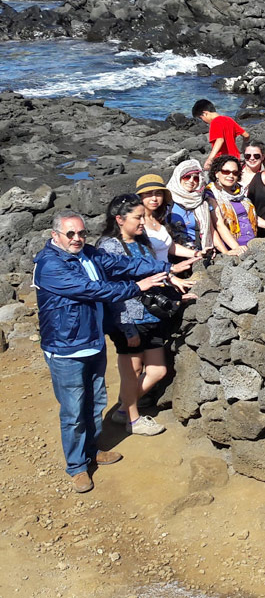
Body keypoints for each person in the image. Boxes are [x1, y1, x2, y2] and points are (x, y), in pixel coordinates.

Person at [34, 209, 173, 493]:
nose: (77, 238)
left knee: (95, 402)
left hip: (92, 342)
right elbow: (92, 289)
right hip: (66, 348)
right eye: (70, 234)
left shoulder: (89, 253)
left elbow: (123, 263)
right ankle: (77, 467)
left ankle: (92, 450)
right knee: (74, 411)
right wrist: (137, 287)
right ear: (55, 235)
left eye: (82, 233)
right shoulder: (49, 264)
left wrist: (167, 267)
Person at [97, 196, 197, 438]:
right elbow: (111, 290)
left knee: (157, 371)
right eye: (138, 217)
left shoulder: (143, 243)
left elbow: (154, 277)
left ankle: (123, 409)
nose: (143, 221)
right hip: (127, 318)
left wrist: (176, 294)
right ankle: (133, 420)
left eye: (143, 217)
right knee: (132, 370)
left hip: (150, 315)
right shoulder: (109, 247)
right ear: (119, 219)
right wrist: (126, 327)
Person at [166, 159, 244, 255]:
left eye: (196, 178)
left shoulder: (203, 202)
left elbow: (211, 231)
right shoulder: (167, 201)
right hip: (175, 254)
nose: (191, 181)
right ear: (178, 177)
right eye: (187, 177)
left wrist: (225, 253)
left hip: (201, 252)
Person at [136, 173, 203, 262]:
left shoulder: (160, 218)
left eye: (158, 193)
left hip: (166, 268)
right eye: (148, 194)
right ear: (140, 197)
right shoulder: (136, 222)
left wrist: (197, 253)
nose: (154, 198)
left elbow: (170, 246)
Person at [205, 155, 257, 247]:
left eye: (235, 173)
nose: (231, 175)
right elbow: (219, 225)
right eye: (226, 172)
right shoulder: (211, 194)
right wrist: (236, 248)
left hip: (252, 243)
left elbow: (252, 217)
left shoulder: (240, 193)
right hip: (233, 246)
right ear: (216, 173)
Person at [192, 99, 249, 169]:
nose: (203, 121)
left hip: (223, 161)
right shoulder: (229, 119)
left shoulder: (214, 122)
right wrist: (243, 147)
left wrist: (209, 159)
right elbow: (246, 135)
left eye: (201, 118)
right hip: (236, 159)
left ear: (205, 113)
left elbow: (220, 140)